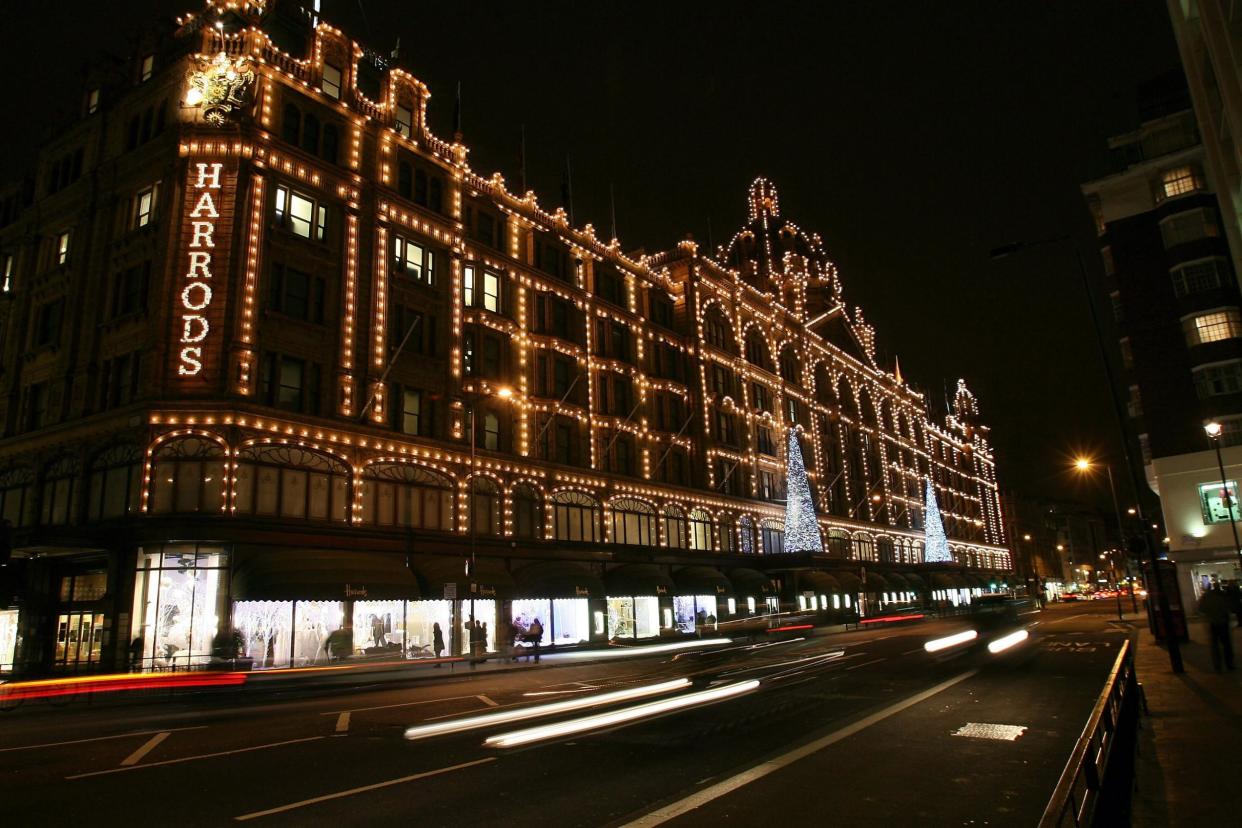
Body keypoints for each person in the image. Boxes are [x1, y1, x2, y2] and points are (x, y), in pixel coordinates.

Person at [1199, 583, 1235, 672]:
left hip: (1213, 623)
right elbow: (1228, 607)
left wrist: (1209, 614)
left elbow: (1201, 609)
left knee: (1215, 646)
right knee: (1226, 645)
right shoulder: (1223, 595)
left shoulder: (1206, 596)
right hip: (1223, 622)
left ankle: (1218, 666)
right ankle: (1229, 664)